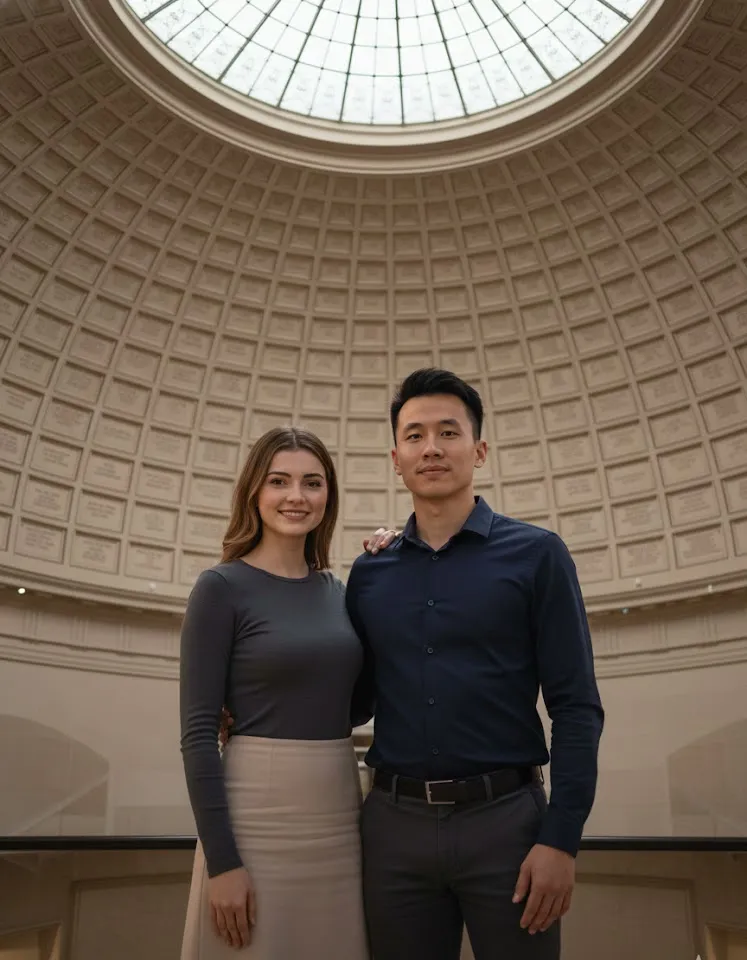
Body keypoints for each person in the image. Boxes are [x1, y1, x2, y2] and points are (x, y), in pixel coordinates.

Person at [345, 368, 605, 960]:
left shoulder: (538, 555)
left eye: (447, 432)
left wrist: (561, 839)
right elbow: (353, 700)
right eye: (414, 436)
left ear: (478, 449)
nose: (430, 448)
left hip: (507, 825)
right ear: (396, 457)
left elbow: (576, 706)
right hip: (392, 828)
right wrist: (251, 702)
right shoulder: (370, 571)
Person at [179, 426, 396, 959]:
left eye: (312, 483)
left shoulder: (335, 591)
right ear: (255, 491)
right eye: (279, 481)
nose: (296, 496)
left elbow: (358, 705)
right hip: (256, 814)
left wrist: (391, 573)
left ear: (329, 496)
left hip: (339, 808)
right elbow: (198, 736)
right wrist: (224, 862)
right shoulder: (220, 588)